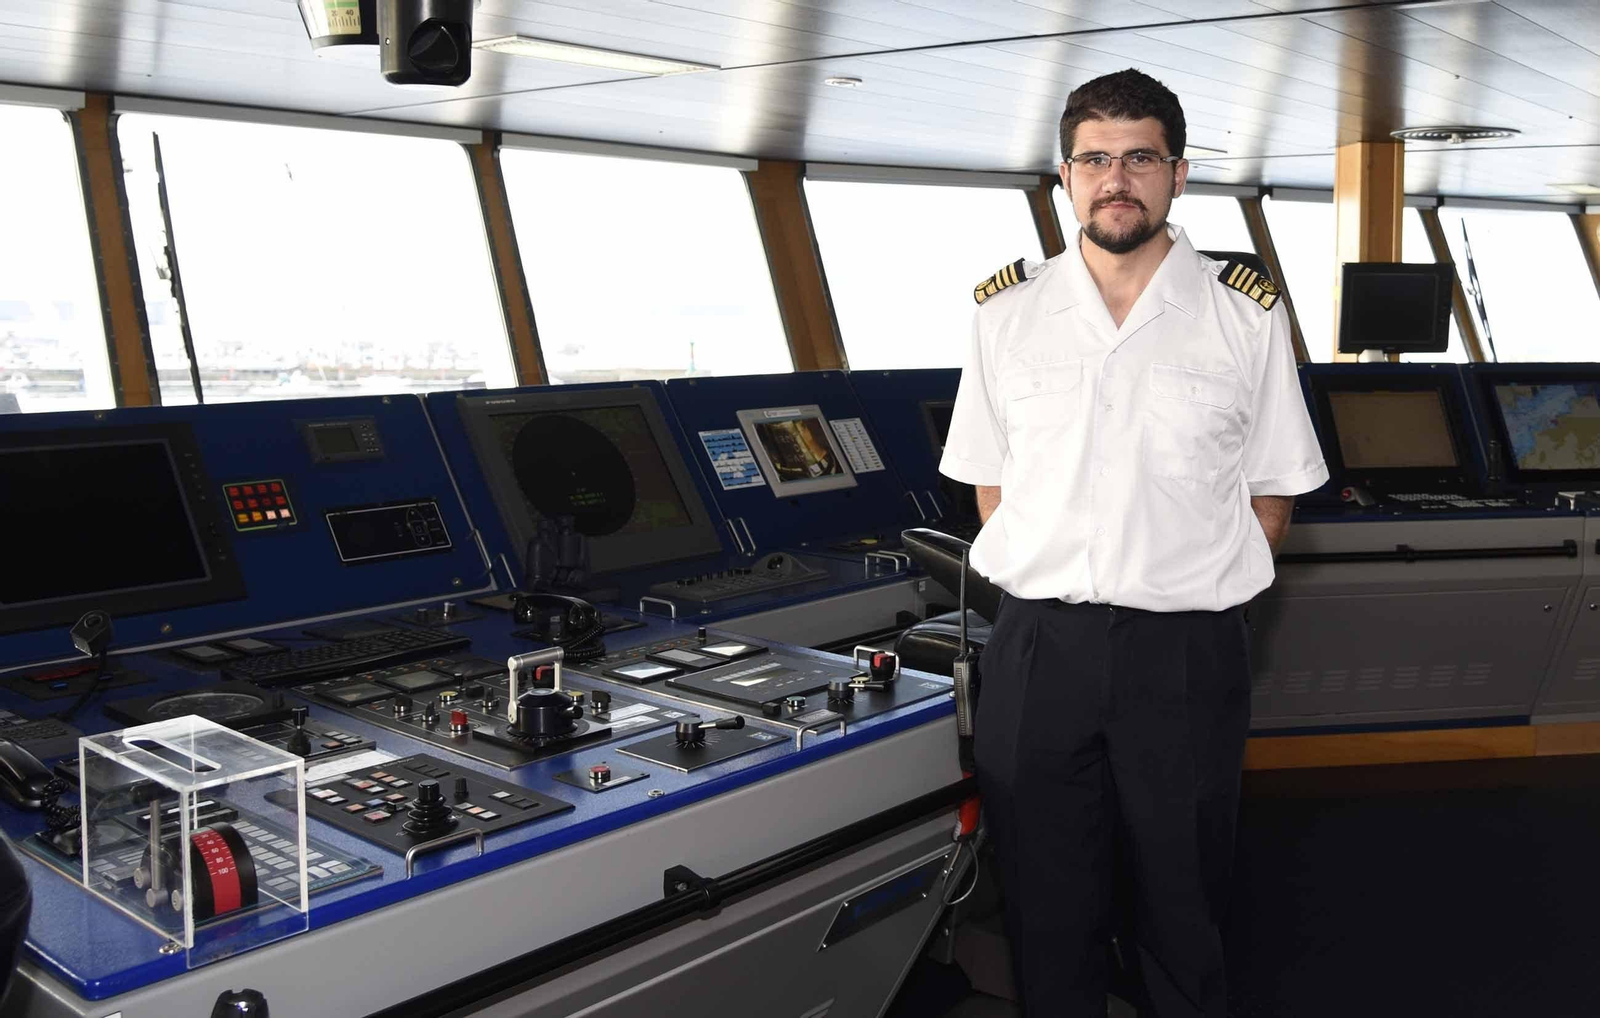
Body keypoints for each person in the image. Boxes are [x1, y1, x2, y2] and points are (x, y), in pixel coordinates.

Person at [940, 68, 1328, 1017]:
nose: (1119, 179)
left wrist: (1187, 574)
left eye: (1141, 158)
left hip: (1184, 650)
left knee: (1184, 903)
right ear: (1065, 179)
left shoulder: (1246, 312)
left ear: (1178, 174)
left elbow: (1273, 490)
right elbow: (994, 487)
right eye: (1097, 159)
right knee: (1045, 904)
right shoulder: (1006, 313)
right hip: (1040, 649)